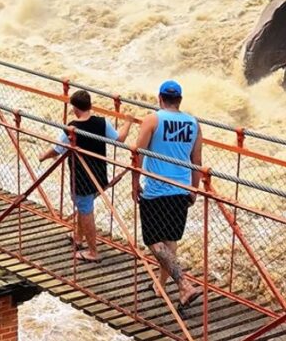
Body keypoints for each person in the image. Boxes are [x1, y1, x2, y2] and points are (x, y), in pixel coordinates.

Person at [133, 80, 203, 308]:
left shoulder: (152, 119)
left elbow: (138, 154)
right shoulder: (194, 123)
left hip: (157, 189)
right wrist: (194, 189)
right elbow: (197, 161)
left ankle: (183, 284)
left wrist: (134, 182)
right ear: (180, 100)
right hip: (181, 189)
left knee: (153, 241)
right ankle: (160, 286)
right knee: (170, 240)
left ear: (160, 98)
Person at [39, 90, 131, 262]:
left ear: (74, 108)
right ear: (90, 105)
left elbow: (57, 149)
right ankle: (78, 238)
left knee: (86, 210)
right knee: (84, 205)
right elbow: (120, 139)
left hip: (81, 177)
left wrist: (43, 156)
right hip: (99, 174)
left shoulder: (72, 128)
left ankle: (93, 252)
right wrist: (128, 122)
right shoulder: (102, 123)